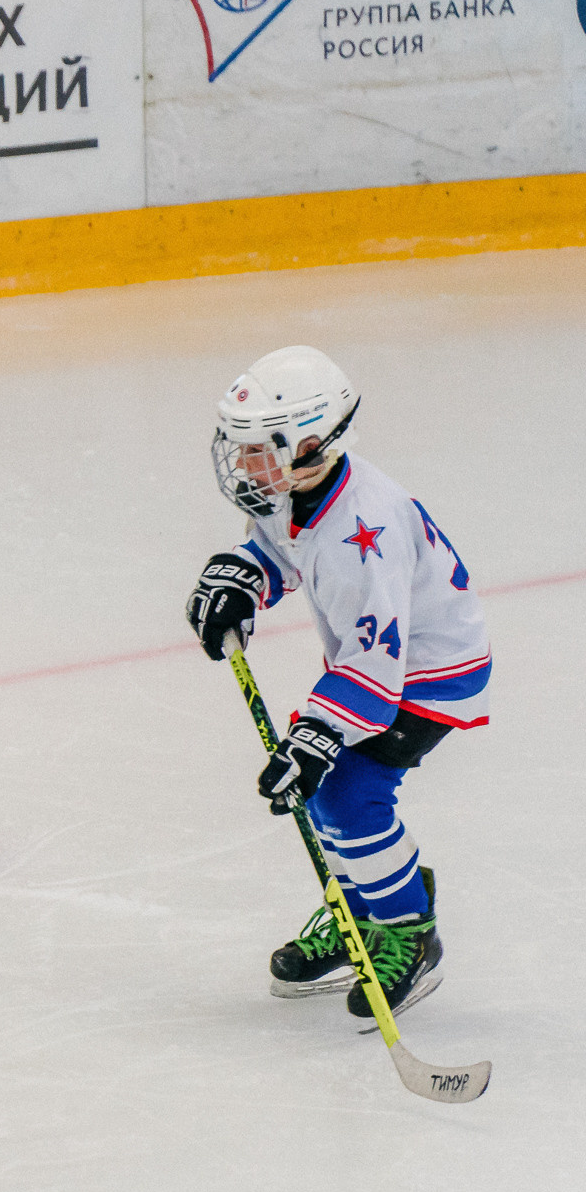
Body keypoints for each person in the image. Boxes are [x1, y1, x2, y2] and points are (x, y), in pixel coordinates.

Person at [184, 345, 489, 1020]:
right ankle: (358, 913)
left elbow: (375, 668)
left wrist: (317, 736)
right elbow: (277, 546)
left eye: (262, 448)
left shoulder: (363, 530)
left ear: (312, 442)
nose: (246, 464)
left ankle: (408, 931)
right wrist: (244, 577)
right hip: (379, 664)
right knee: (327, 790)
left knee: (349, 796)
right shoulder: (296, 484)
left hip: (429, 674)